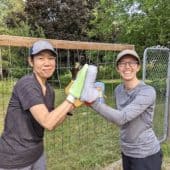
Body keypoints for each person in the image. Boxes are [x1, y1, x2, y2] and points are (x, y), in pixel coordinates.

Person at [0, 40, 88, 170]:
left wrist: (73, 105)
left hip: (37, 154)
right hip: (15, 159)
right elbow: (48, 122)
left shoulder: (49, 90)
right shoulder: (27, 84)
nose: (47, 63)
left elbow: (53, 122)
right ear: (31, 61)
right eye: (41, 58)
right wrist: (72, 97)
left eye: (51, 58)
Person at [83, 49, 163, 170]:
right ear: (117, 68)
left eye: (131, 63)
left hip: (146, 154)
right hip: (127, 151)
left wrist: (92, 102)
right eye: (122, 63)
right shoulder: (118, 90)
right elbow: (117, 116)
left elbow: (122, 118)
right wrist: (98, 98)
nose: (127, 66)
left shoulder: (147, 92)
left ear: (138, 67)